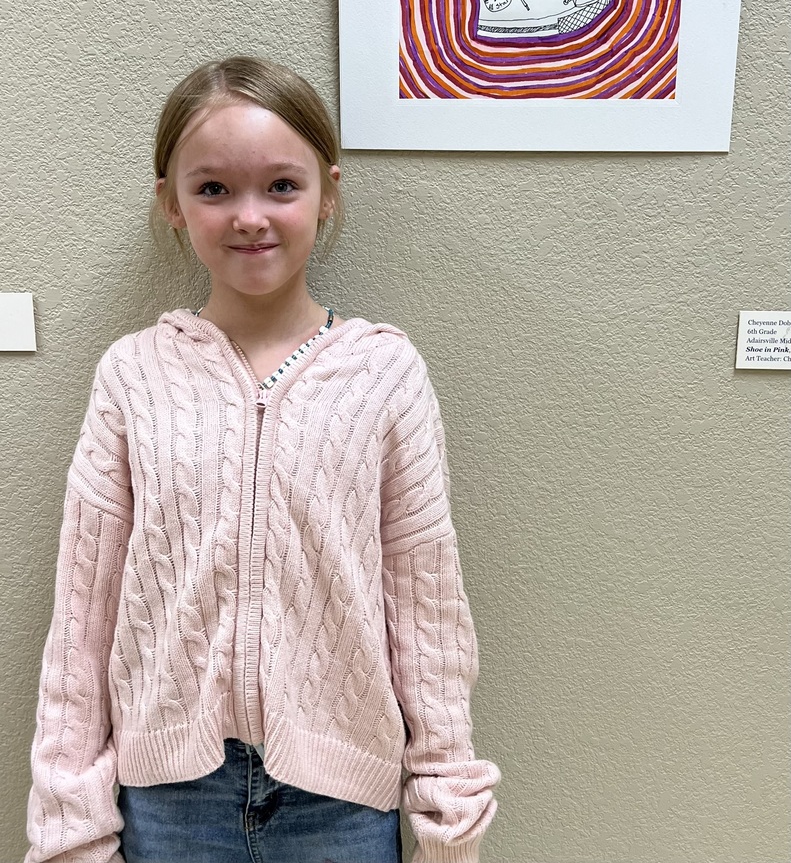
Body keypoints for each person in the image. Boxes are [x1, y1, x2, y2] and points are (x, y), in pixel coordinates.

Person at [25, 56, 500, 863]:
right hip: (169, 799)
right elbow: (83, 609)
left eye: (281, 186)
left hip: (342, 800)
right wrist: (69, 819)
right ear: (170, 203)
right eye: (213, 189)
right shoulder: (133, 373)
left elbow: (425, 601)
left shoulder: (385, 372)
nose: (250, 217)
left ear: (328, 192)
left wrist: (446, 800)